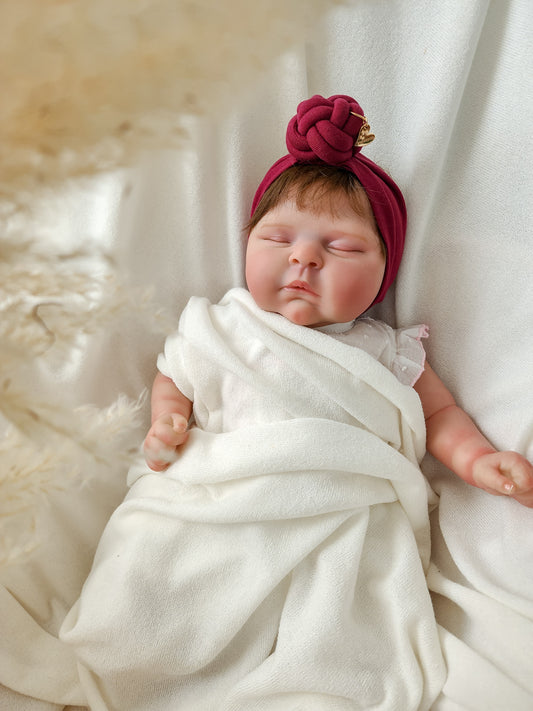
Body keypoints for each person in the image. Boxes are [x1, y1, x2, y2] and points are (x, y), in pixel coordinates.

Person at [144, 93, 533, 508]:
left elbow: (439, 416)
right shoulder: (221, 327)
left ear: (386, 273)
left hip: (339, 509)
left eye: (342, 247)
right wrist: (167, 421)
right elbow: (176, 373)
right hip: (220, 497)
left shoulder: (387, 350)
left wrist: (477, 459)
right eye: (277, 238)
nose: (303, 256)